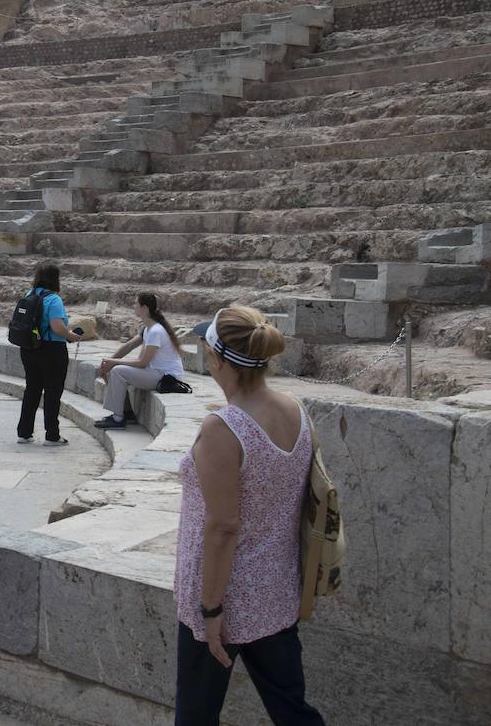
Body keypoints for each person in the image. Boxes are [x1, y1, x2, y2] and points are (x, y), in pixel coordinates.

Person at [175, 307, 324, 725]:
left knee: (196, 716)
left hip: (223, 598)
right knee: (292, 709)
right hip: (275, 593)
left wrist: (210, 611)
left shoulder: (223, 428)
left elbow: (223, 527)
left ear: (219, 360)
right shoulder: (296, 408)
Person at [15, 261, 84, 446]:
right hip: (52, 350)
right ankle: (52, 435)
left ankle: (24, 432)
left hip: (29, 348)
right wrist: (71, 336)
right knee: (53, 392)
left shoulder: (29, 294)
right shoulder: (53, 299)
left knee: (32, 389)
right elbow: (57, 327)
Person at [96, 292, 186, 430]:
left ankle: (118, 418)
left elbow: (142, 362)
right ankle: (127, 412)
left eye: (136, 303)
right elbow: (128, 346)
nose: (133, 306)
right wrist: (109, 362)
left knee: (118, 371)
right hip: (157, 372)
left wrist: (114, 363)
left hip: (167, 377)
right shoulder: (148, 329)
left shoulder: (156, 331)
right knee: (114, 369)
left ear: (144, 308)